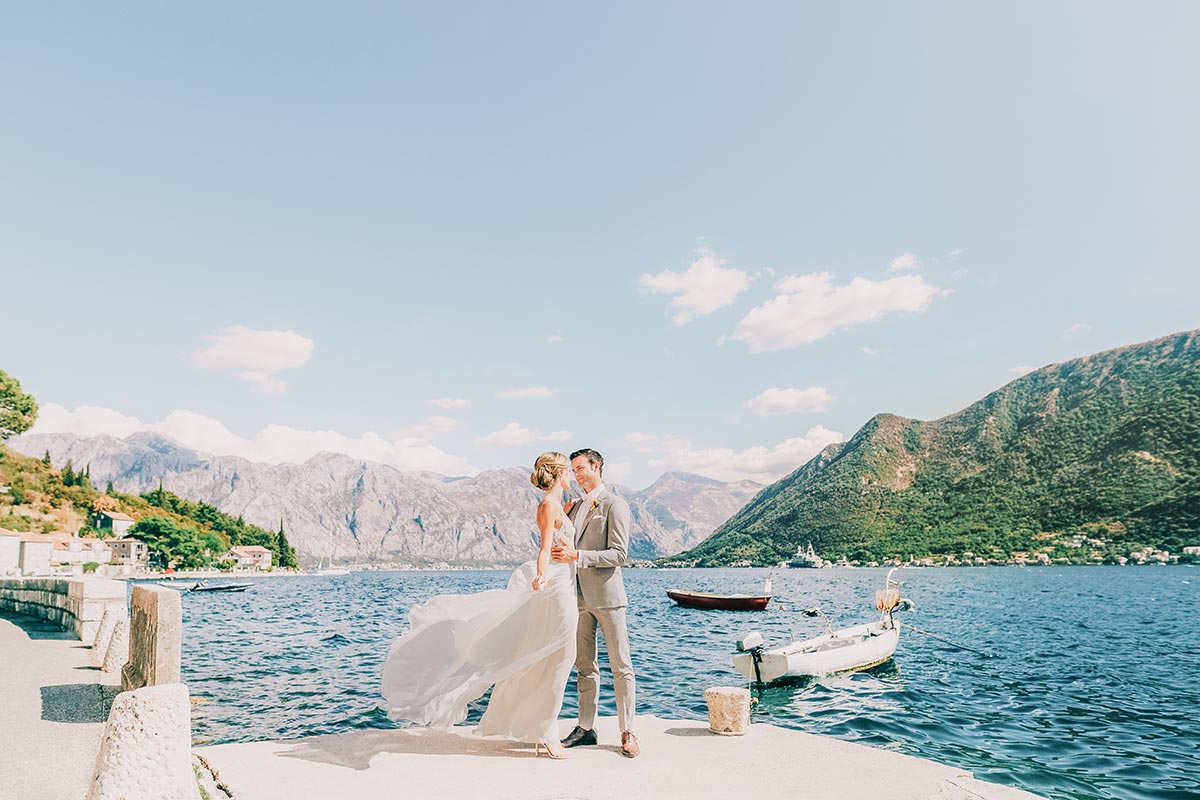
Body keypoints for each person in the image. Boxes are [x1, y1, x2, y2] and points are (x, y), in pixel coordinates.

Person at [380, 451, 577, 759]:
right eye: (568, 471)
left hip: (566, 582)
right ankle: (546, 733)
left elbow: (562, 537)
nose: (572, 477)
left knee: (556, 660)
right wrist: (540, 576)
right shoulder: (547, 506)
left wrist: (569, 514)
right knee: (558, 660)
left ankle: (541, 729)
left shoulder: (560, 507)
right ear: (558, 473)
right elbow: (544, 549)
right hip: (556, 587)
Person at [552, 448, 640, 758]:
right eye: (572, 469)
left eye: (580, 467)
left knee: (621, 666)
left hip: (608, 598)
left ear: (597, 466)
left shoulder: (615, 504)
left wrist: (579, 556)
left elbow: (619, 555)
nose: (576, 474)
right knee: (584, 667)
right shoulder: (575, 506)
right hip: (577, 598)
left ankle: (628, 731)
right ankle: (586, 728)